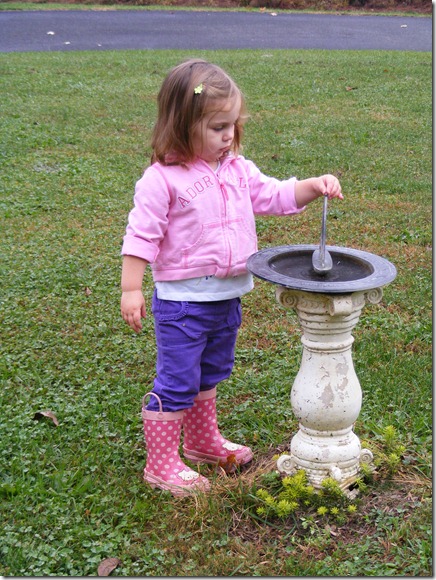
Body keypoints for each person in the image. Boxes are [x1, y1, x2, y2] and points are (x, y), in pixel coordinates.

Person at [121, 58, 343, 497]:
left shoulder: (238, 170)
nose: (229, 136)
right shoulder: (162, 180)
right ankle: (160, 464)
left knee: (211, 372)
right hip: (182, 303)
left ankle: (202, 443)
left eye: (233, 125)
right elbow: (141, 236)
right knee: (178, 380)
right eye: (218, 127)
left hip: (226, 298)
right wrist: (131, 288)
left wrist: (312, 185)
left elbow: (275, 195)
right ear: (182, 125)